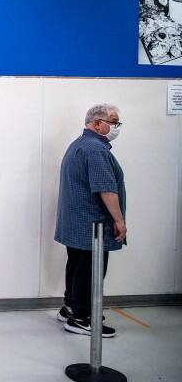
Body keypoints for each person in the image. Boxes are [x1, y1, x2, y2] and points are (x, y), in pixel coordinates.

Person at [54, 104, 126, 338]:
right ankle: (82, 318)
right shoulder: (96, 150)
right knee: (90, 271)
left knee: (76, 267)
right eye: (113, 122)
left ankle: (71, 308)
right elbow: (106, 189)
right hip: (92, 226)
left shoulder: (79, 144)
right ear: (96, 124)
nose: (116, 127)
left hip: (76, 223)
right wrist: (119, 220)